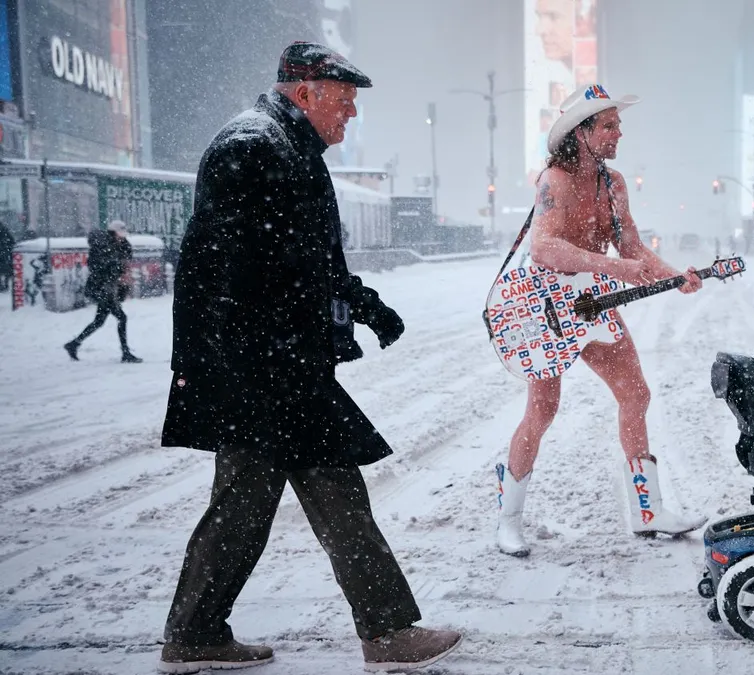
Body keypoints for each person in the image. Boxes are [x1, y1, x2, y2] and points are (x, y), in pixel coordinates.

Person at [158, 42, 460, 673]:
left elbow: (314, 262)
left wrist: (366, 305)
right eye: (344, 103)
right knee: (287, 499)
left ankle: (198, 632)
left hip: (281, 368)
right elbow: (215, 271)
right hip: (262, 371)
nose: (351, 117)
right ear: (306, 93)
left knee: (275, 501)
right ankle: (385, 631)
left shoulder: (290, 149)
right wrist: (224, 363)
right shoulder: (251, 147)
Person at [495, 84, 706, 557]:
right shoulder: (556, 180)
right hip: (547, 307)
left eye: (617, 124)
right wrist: (614, 267)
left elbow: (631, 245)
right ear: (581, 131)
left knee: (636, 394)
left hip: (592, 302)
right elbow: (543, 248)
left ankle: (648, 511)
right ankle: (508, 520)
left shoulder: (615, 184)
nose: (618, 133)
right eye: (609, 125)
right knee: (542, 410)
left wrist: (675, 275)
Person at [64, 221, 141, 363]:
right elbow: (98, 267)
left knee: (99, 321)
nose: (122, 237)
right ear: (113, 233)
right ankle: (125, 353)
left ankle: (73, 344)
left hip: (108, 288)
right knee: (121, 318)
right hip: (102, 289)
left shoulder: (119, 245)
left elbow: (124, 261)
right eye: (120, 234)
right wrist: (114, 265)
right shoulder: (102, 246)